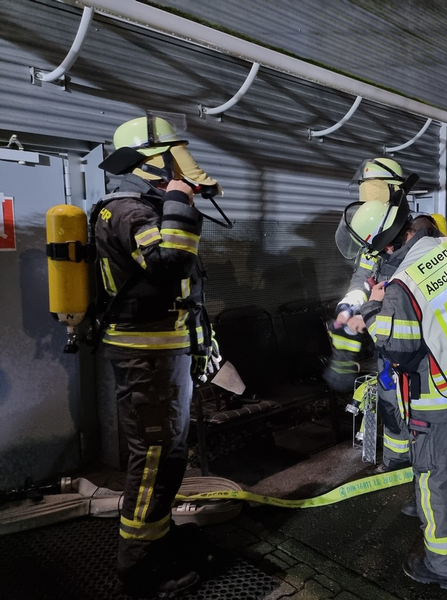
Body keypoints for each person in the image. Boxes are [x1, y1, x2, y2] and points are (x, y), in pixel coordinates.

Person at [337, 196, 447, 590]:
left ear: (386, 247)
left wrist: (372, 308)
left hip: (438, 401)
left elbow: (397, 347)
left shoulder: (402, 284)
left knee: (435, 486)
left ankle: (446, 568)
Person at [94, 112, 222, 598]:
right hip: (145, 357)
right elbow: (170, 262)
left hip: (161, 352)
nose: (184, 164)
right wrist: (179, 198)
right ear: (152, 162)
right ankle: (141, 568)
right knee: (152, 461)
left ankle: (159, 537)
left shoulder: (137, 206)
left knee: (166, 457)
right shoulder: (130, 212)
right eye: (174, 155)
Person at [328, 158, 444, 475]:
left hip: (420, 349)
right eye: (366, 190)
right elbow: (361, 278)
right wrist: (351, 306)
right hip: (387, 340)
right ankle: (397, 463)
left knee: (421, 413)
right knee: (391, 403)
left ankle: (429, 474)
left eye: (374, 189)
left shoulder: (421, 234)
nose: (369, 196)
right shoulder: (373, 235)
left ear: (395, 192)